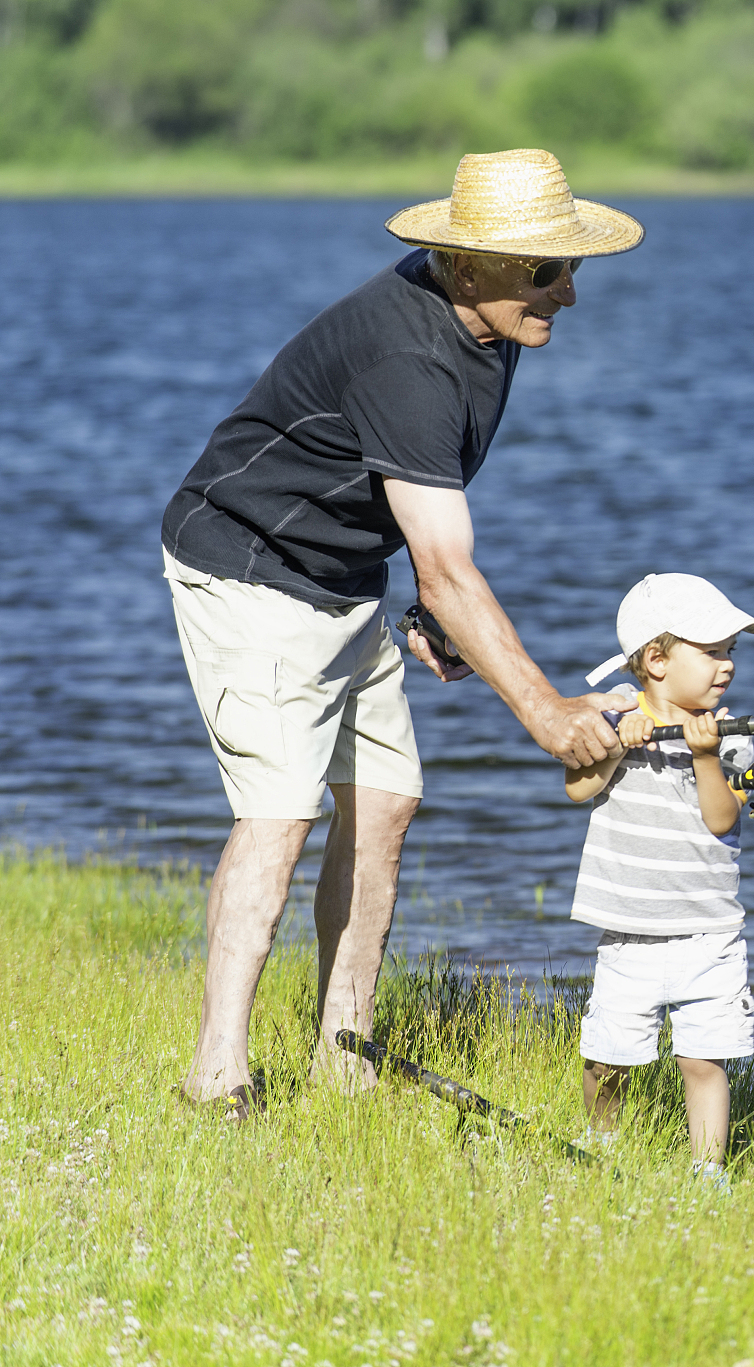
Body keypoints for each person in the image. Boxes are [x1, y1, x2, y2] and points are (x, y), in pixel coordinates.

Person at [161, 149, 643, 1119]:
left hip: (344, 577)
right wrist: (550, 715)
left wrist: (427, 607)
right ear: (466, 265)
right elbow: (451, 565)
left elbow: (421, 513)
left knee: (385, 802)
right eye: (545, 270)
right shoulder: (410, 354)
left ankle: (344, 1046)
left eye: (572, 266)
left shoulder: (495, 325)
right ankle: (217, 1073)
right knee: (280, 812)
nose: (569, 293)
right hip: (247, 568)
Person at [566, 573, 754, 1182]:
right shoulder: (617, 717)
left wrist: (707, 755)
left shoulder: (729, 737)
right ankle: (599, 1151)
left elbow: (722, 819)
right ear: (656, 660)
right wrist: (616, 747)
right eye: (711, 651)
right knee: (608, 1060)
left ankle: (708, 1175)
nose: (725, 665)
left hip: (709, 935)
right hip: (628, 933)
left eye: (730, 651)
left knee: (704, 1061)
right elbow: (578, 789)